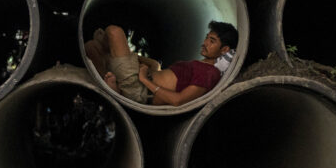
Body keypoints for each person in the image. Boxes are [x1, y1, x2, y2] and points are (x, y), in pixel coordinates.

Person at [85, 21, 238, 107]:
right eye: (206, 38)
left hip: (140, 88)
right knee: (91, 46)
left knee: (113, 31)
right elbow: (163, 73)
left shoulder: (210, 72)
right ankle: (111, 81)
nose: (204, 43)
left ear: (224, 49)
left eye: (212, 41)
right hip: (141, 78)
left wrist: (145, 79)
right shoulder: (200, 64)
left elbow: (178, 100)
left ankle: (116, 87)